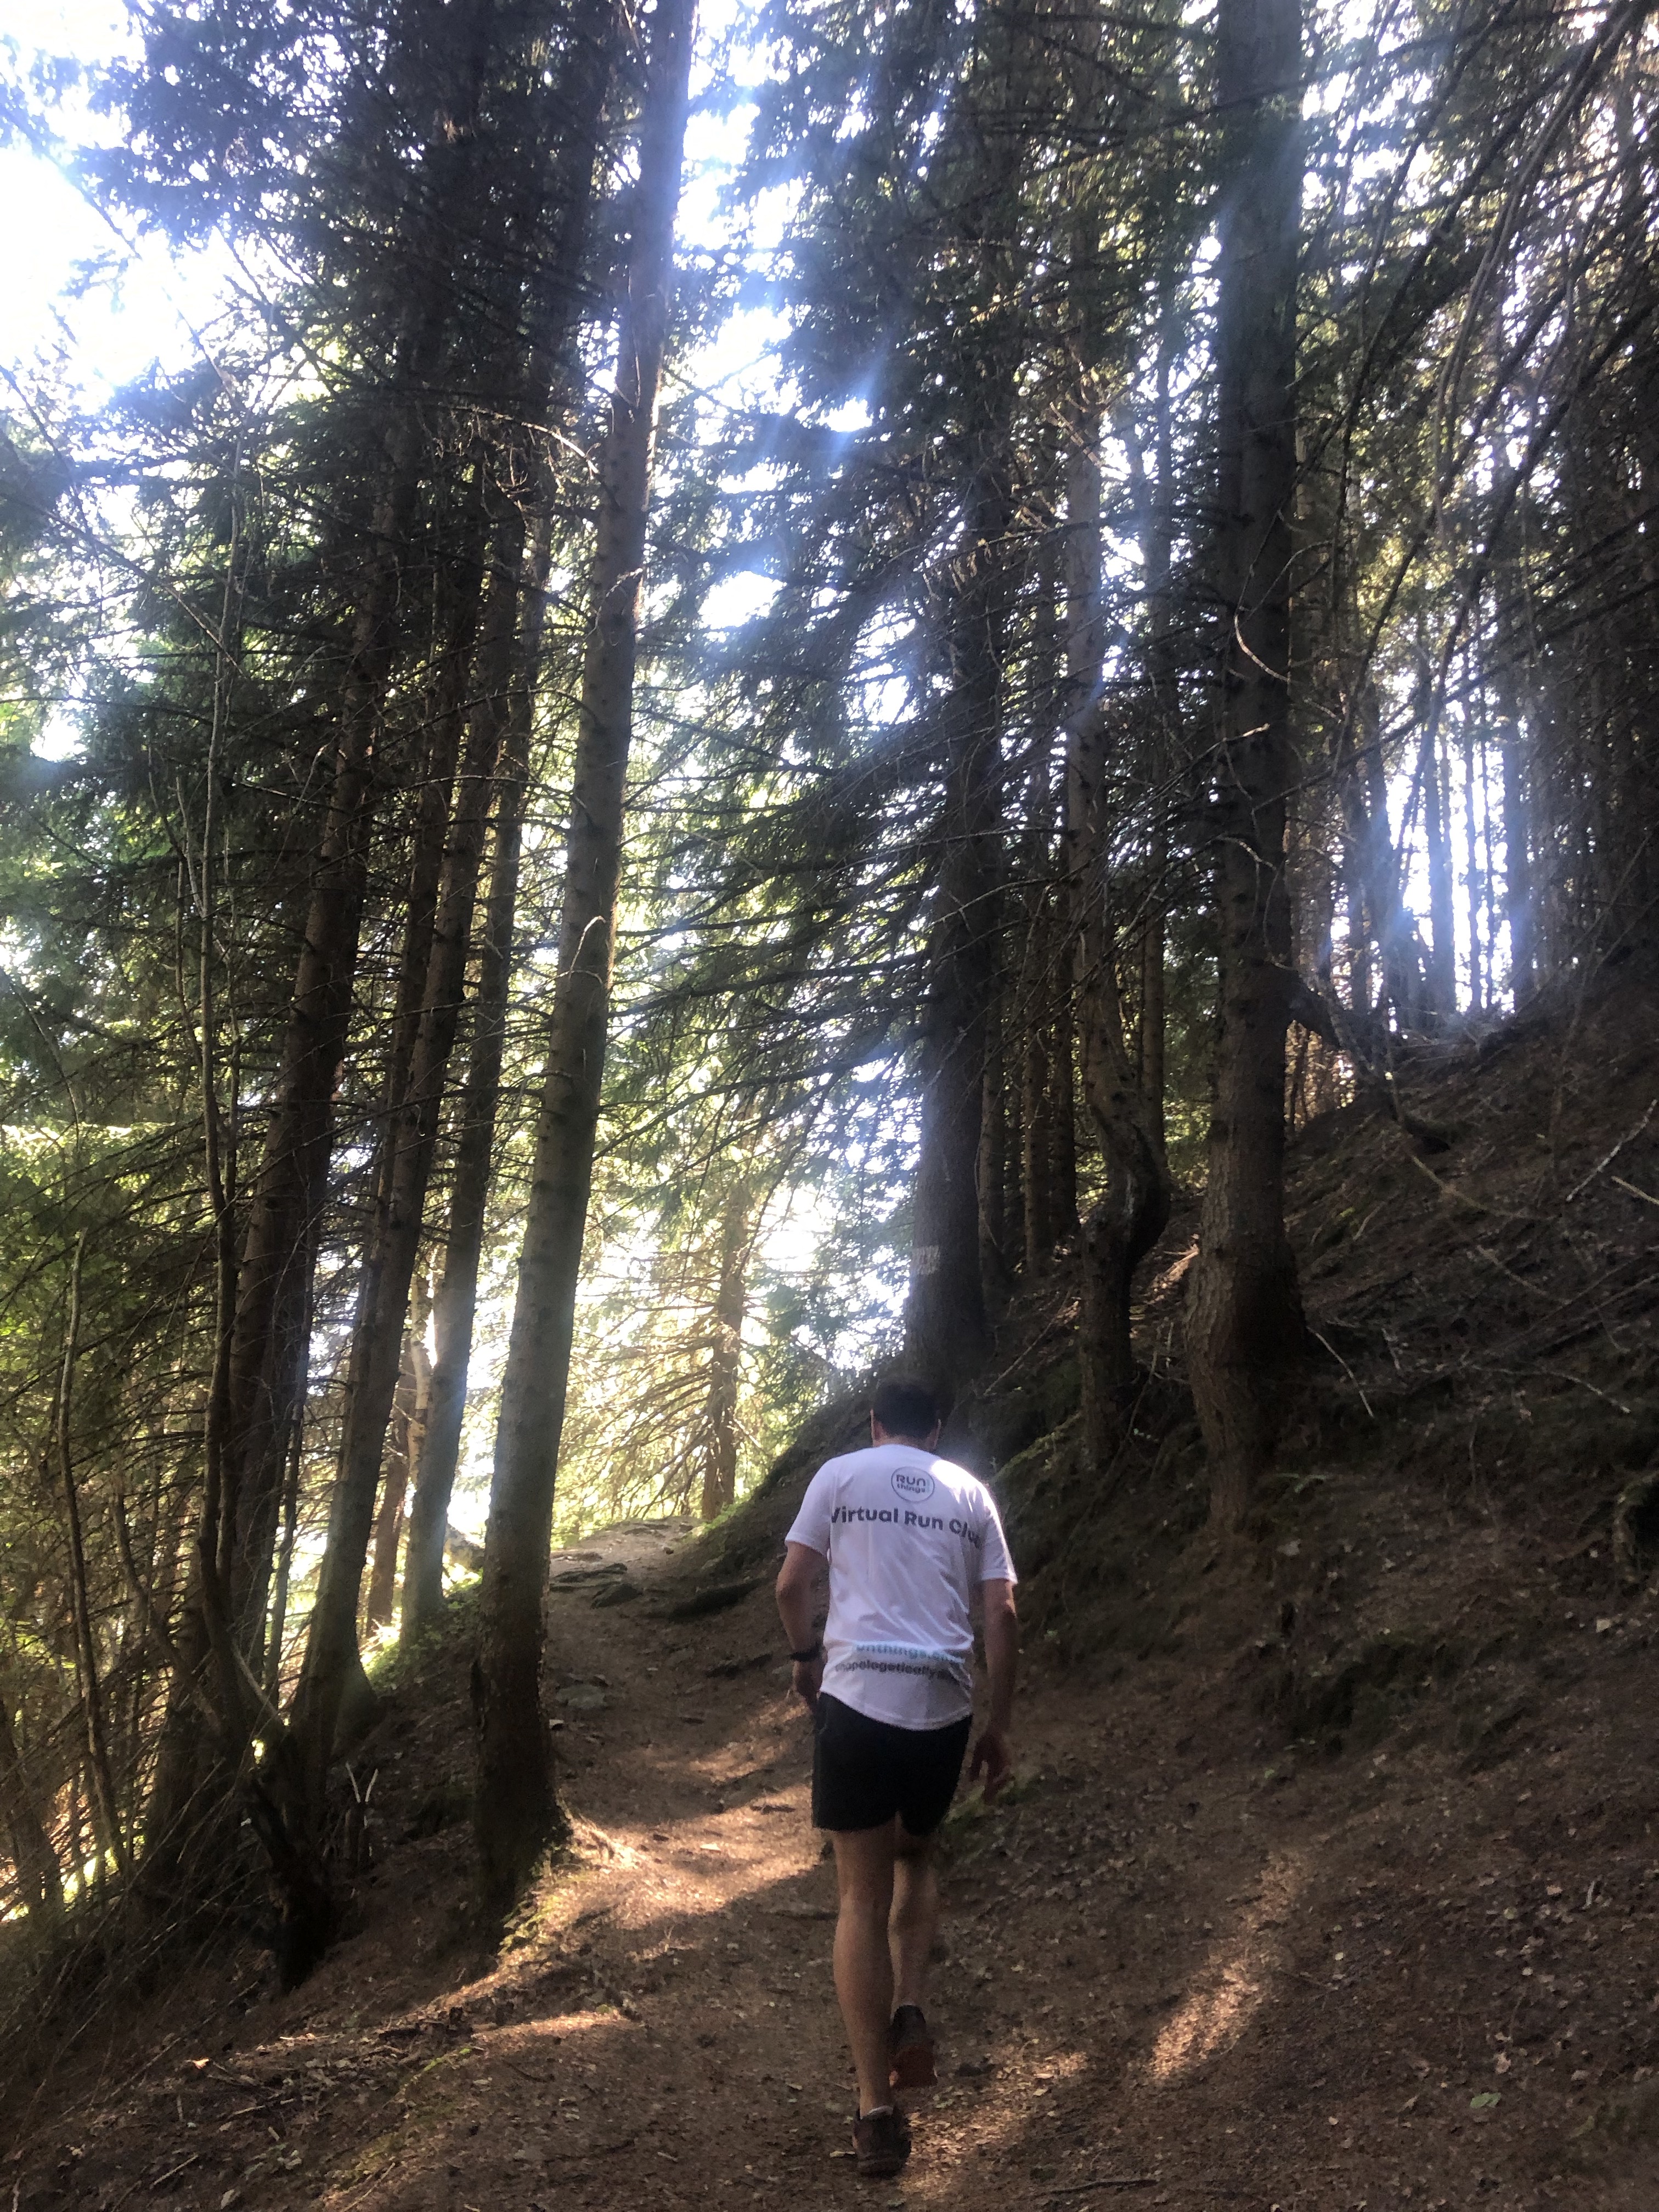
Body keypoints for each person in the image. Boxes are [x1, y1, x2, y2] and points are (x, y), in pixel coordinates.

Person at [775, 1375, 1018, 2180]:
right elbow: (1001, 1613)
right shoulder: (970, 1492)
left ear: (875, 1424)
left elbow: (791, 1584)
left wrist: (806, 1658)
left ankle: (876, 2114)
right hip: (941, 1706)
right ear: (937, 1430)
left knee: (859, 1896)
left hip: (857, 1700)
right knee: (916, 1854)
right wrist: (999, 1724)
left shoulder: (840, 1475)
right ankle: (910, 2002)